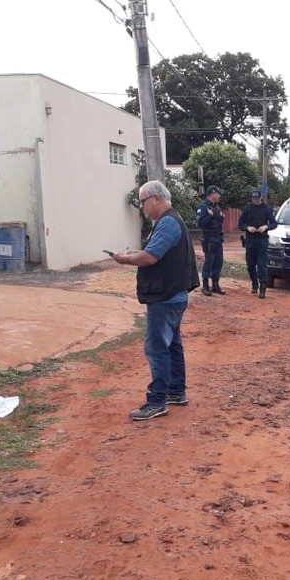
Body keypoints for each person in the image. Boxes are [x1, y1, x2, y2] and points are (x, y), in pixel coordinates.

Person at [112, 180, 200, 421]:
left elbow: (150, 257)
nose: (142, 207)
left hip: (166, 297)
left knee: (157, 348)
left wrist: (124, 259)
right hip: (173, 294)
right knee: (172, 345)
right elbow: (154, 253)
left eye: (143, 202)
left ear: (157, 199)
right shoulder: (168, 221)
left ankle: (157, 401)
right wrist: (134, 254)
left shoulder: (168, 223)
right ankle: (176, 391)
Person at [238, 189, 278, 299]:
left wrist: (266, 226)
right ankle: (254, 283)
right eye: (253, 198)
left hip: (262, 240)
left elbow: (274, 223)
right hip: (250, 240)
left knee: (262, 265)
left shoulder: (266, 208)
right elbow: (240, 224)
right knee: (250, 265)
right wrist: (247, 228)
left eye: (257, 198)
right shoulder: (248, 208)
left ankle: (263, 287)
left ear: (261, 197)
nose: (255, 200)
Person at [197, 185, 226, 296]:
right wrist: (210, 216)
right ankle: (205, 286)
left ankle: (215, 285)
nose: (219, 196)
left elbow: (220, 220)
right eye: (217, 193)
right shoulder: (203, 207)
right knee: (209, 262)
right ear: (212, 193)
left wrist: (217, 215)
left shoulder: (217, 207)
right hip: (208, 239)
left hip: (218, 238)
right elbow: (201, 223)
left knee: (218, 262)